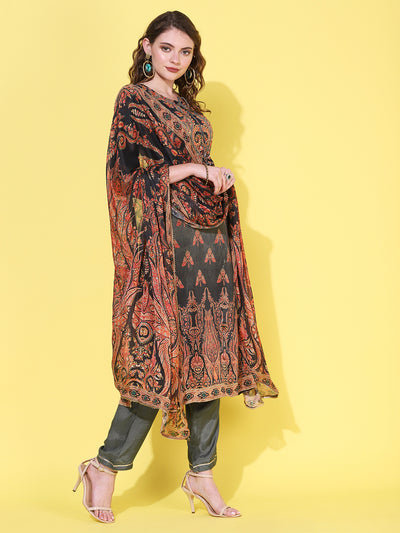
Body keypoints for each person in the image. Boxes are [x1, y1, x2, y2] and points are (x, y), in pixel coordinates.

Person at [73, 10, 278, 523]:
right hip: (163, 247)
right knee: (159, 355)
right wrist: (191, 168)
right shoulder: (133, 100)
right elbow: (123, 177)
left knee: (210, 352)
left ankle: (201, 473)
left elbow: (196, 171)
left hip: (208, 243)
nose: (176, 59)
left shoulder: (190, 108)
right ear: (147, 47)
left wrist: (216, 176)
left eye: (186, 52)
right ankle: (105, 466)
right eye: (167, 48)